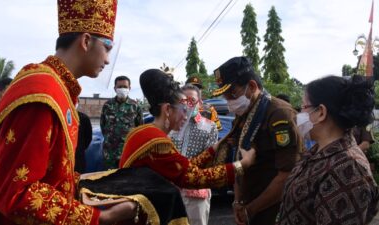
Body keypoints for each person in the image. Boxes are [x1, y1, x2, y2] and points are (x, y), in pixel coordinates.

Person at [0, 1, 138, 224]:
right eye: (107, 48)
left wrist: (93, 185)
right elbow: (13, 192)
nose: (108, 59)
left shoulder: (55, 86)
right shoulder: (43, 93)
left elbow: (51, 174)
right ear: (85, 41)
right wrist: (101, 217)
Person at [119, 68, 256, 189]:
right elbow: (195, 176)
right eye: (183, 109)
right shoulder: (157, 142)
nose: (186, 115)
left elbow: (183, 166)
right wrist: (242, 164)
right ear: (167, 109)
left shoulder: (141, 132)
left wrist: (214, 148)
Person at [211, 56, 302, 225]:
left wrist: (251, 209)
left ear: (252, 86)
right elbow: (239, 158)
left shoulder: (279, 114)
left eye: (232, 94)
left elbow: (287, 174)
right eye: (225, 96)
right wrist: (238, 202)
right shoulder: (243, 115)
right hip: (248, 207)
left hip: (273, 210)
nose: (229, 101)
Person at [278, 75, 379, 225]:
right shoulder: (318, 151)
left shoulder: (348, 170)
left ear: (321, 112)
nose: (298, 115)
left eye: (303, 107)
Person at [169, 84, 218, 225]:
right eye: (185, 100)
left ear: (200, 102)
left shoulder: (210, 127)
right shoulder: (172, 125)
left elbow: (210, 159)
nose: (189, 104)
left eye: (192, 100)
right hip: (172, 190)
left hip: (196, 191)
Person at [101, 75, 143, 169]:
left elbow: (139, 128)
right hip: (110, 153)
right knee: (109, 179)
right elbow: (103, 126)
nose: (122, 89)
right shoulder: (107, 105)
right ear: (115, 88)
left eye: (125, 87)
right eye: (119, 87)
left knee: (126, 180)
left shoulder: (135, 106)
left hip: (128, 152)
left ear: (129, 88)